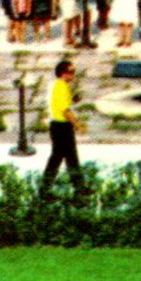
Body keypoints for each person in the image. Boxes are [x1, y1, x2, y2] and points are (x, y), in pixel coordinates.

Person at [42, 59, 84, 192]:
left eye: (74, 71)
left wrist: (74, 98)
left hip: (59, 125)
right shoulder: (60, 87)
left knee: (68, 157)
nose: (73, 74)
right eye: (71, 72)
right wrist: (78, 125)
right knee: (61, 157)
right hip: (61, 126)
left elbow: (63, 102)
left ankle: (78, 186)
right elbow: (65, 110)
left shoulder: (59, 85)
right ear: (63, 73)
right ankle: (46, 188)